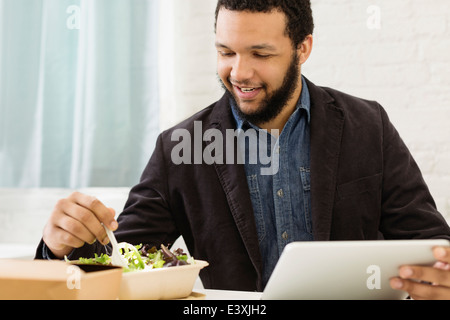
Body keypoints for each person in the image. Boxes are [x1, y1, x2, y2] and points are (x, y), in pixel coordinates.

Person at [36, 0, 450, 299]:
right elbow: (121, 264)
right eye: (225, 52)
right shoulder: (181, 146)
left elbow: (430, 243)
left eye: (260, 54)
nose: (239, 72)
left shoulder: (368, 126)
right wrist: (61, 248)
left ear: (303, 48)